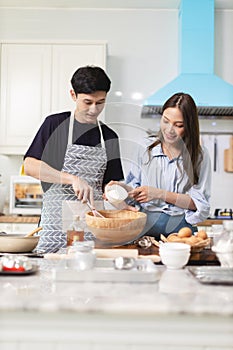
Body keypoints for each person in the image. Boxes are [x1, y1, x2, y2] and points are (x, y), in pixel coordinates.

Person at [24, 66, 124, 253]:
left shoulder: (109, 137)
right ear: (73, 95)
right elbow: (29, 166)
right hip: (53, 229)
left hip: (92, 230)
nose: (94, 109)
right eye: (88, 102)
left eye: (100, 102)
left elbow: (111, 186)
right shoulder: (54, 124)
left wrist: (123, 202)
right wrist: (72, 179)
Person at [107, 92, 211, 239]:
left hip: (181, 231)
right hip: (143, 228)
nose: (169, 129)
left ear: (189, 126)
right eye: (166, 121)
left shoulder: (199, 156)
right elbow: (135, 192)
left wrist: (159, 193)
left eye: (178, 125)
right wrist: (123, 190)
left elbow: (198, 204)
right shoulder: (144, 147)